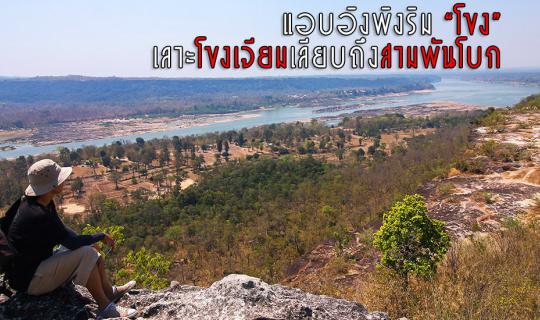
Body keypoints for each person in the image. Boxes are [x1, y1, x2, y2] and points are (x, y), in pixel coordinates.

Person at [4, 159, 137, 319]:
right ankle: (105, 307)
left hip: (36, 267)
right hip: (30, 281)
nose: (65, 181)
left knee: (90, 247)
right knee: (87, 252)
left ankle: (110, 292)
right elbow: (72, 243)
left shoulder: (38, 202)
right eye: (60, 178)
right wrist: (100, 236)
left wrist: (92, 240)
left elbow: (64, 233)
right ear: (52, 185)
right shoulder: (37, 215)